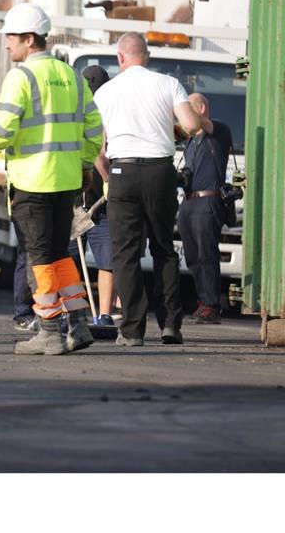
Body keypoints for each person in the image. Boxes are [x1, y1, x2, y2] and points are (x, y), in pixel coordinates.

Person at [0, 3, 103, 355]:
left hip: (33, 183)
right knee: (57, 254)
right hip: (65, 182)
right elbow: (94, 130)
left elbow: (4, 127)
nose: (6, 45)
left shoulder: (21, 77)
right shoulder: (72, 76)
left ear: (29, 39)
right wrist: (82, 166)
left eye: (11, 38)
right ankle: (78, 324)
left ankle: (48, 330)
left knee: (39, 258)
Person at [94, 32, 206, 347]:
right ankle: (170, 325)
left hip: (122, 171)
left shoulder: (105, 91)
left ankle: (132, 330)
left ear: (120, 58)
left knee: (126, 254)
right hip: (160, 171)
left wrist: (108, 175)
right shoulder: (168, 84)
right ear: (148, 56)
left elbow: (97, 146)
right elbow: (192, 125)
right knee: (163, 248)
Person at [177, 92, 233, 324]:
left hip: (207, 202)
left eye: (187, 109)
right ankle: (204, 301)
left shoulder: (218, 131)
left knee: (206, 254)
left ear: (200, 110)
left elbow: (201, 124)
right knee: (192, 257)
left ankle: (211, 305)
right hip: (189, 203)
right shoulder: (191, 141)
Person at [78, 65, 117, 327]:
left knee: (68, 260)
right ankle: (103, 313)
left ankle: (94, 313)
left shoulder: (77, 112)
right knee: (107, 261)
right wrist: (109, 181)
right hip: (88, 200)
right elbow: (99, 156)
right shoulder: (104, 115)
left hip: (82, 200)